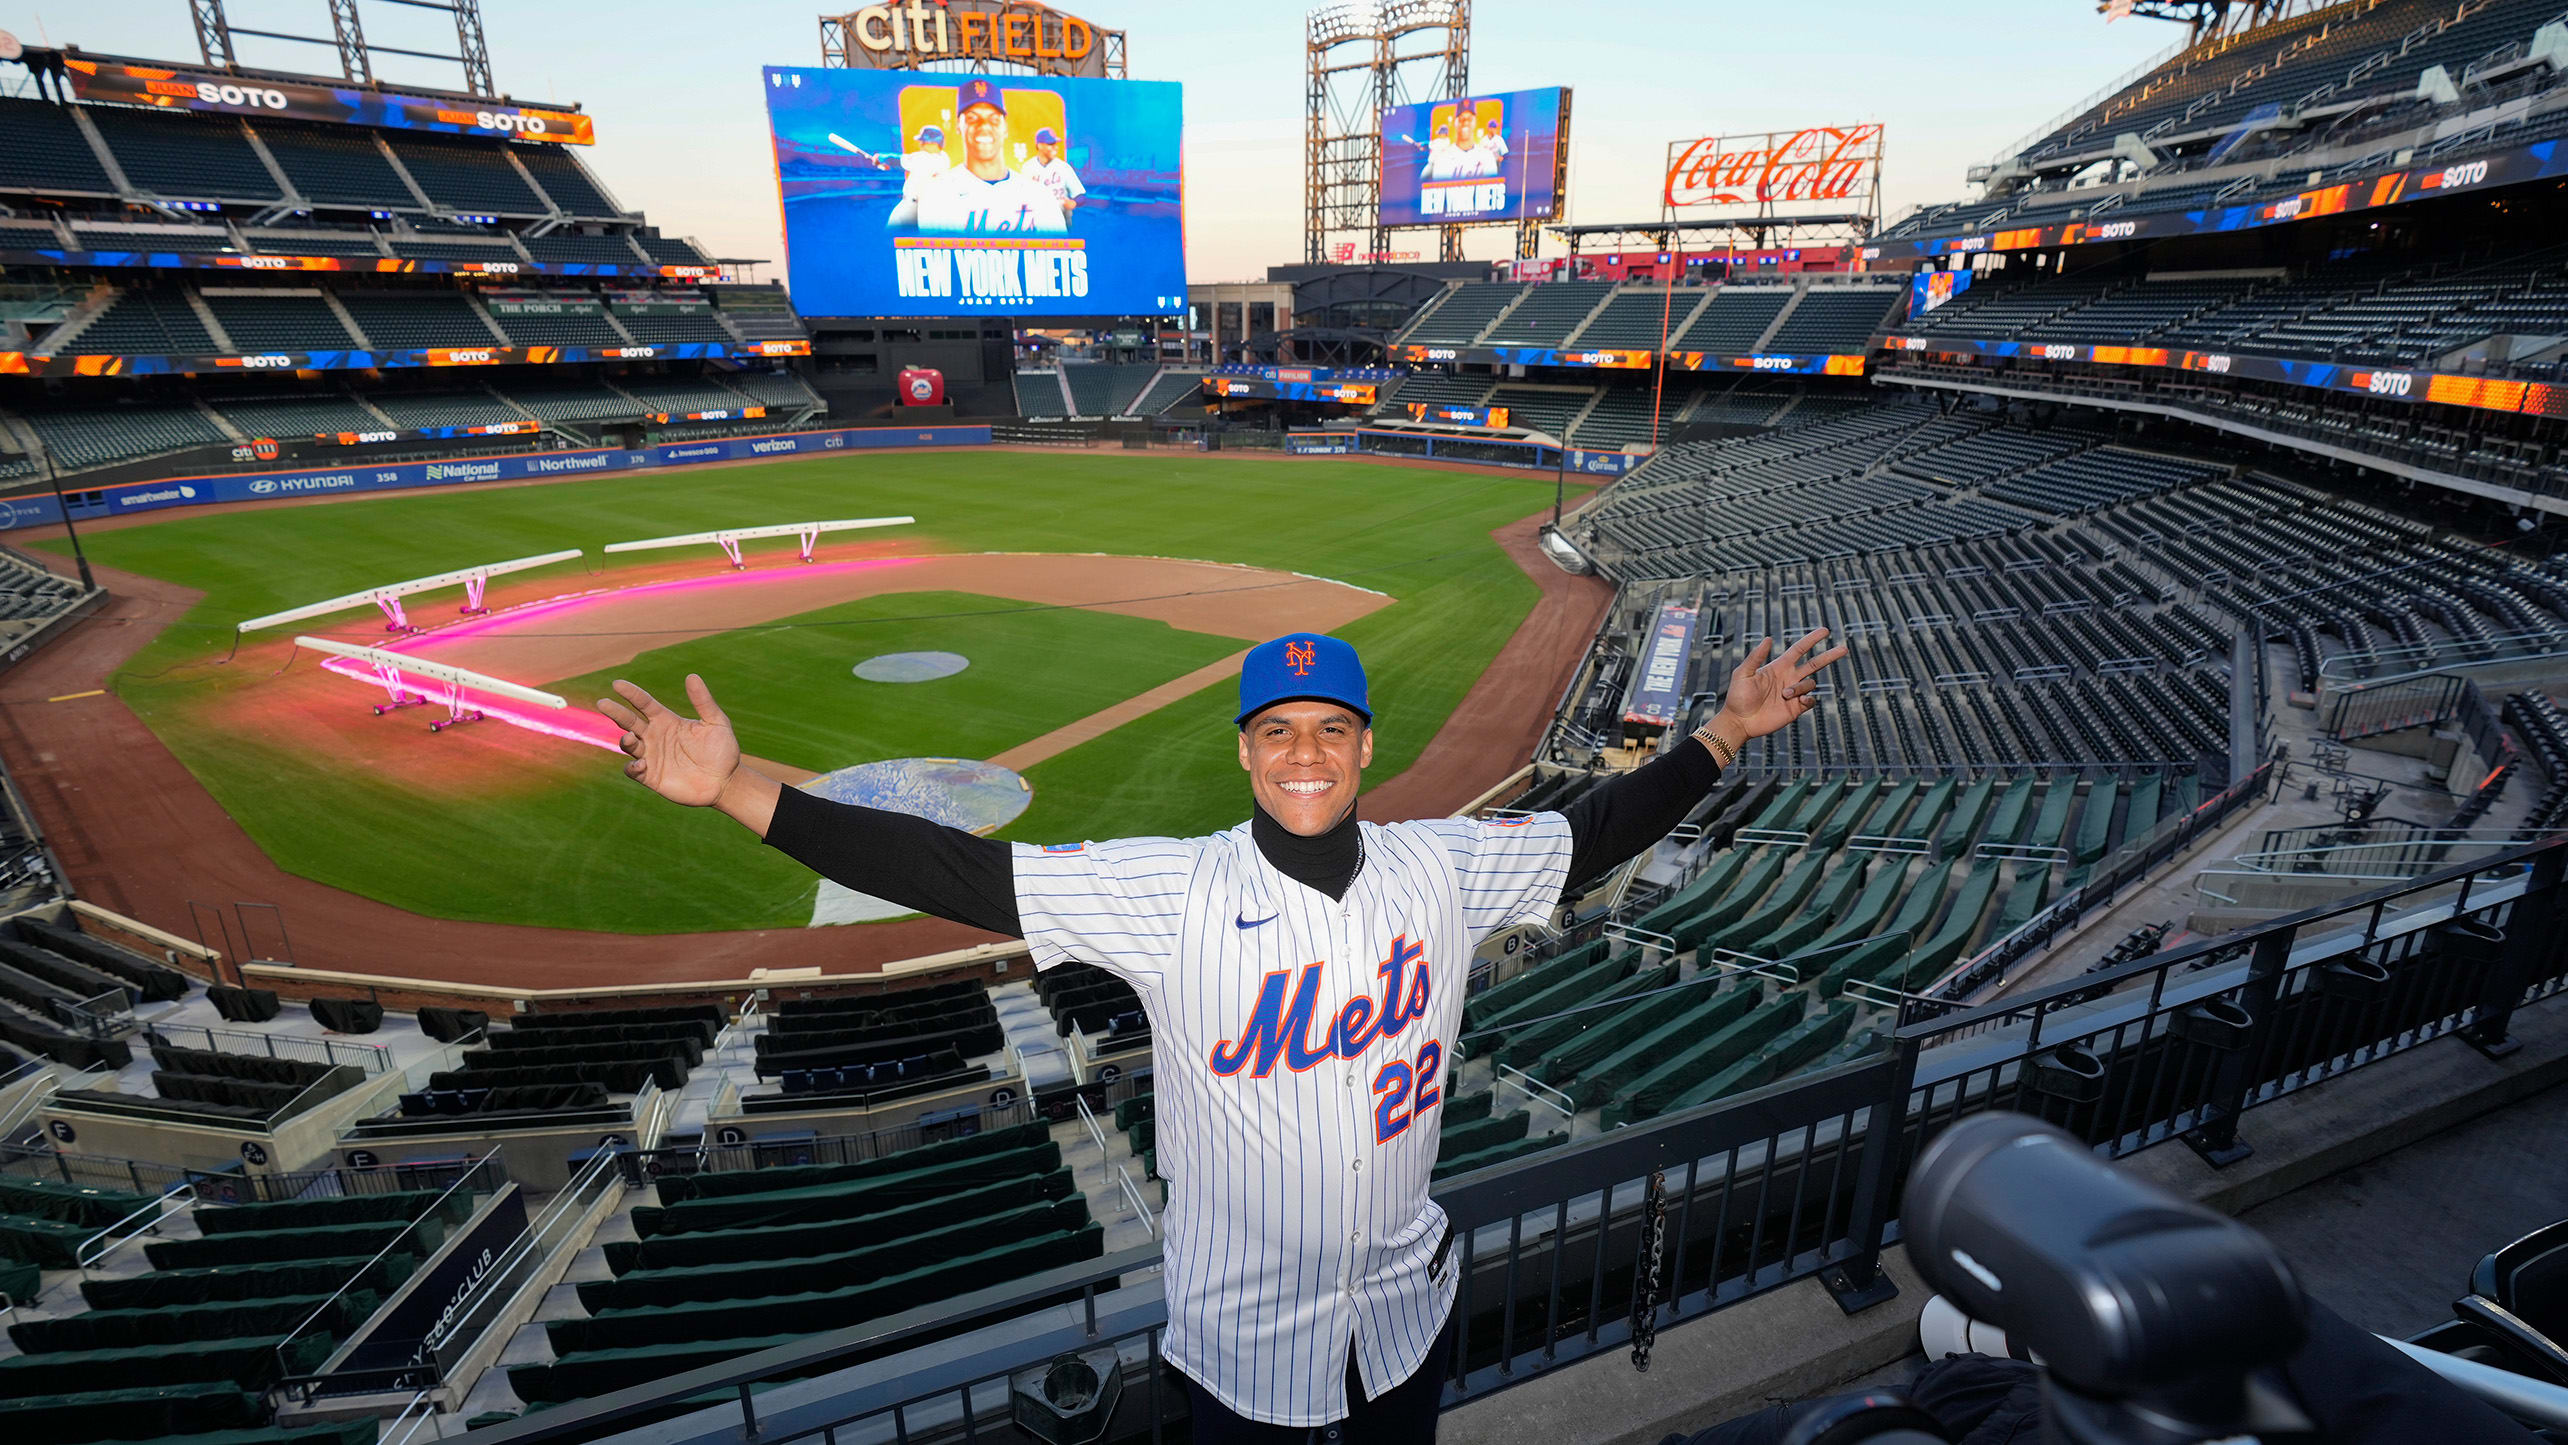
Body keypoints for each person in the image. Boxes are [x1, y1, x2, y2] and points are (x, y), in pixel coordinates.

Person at [599, 627, 1846, 1442]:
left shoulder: (1448, 862)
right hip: (1243, 1356)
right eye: (1277, 729)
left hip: (1406, 1323)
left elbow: (1601, 828)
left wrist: (1724, 732)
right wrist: (742, 788)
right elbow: (960, 869)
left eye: (1331, 728)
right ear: (1245, 750)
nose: (1305, 752)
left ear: (1366, 744)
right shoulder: (1169, 888)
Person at [896, 77, 1064, 235]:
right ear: (958, 126)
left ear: (1005, 127)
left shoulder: (1039, 195)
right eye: (972, 118)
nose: (984, 126)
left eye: (993, 119)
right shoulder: (937, 193)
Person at [1021, 126, 1086, 218]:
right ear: (1039, 145)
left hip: (1060, 223)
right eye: (1050, 144)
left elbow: (1081, 195)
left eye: (1055, 143)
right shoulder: (1028, 168)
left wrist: (1074, 203)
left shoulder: (1063, 167)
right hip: (1036, 222)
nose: (1055, 147)